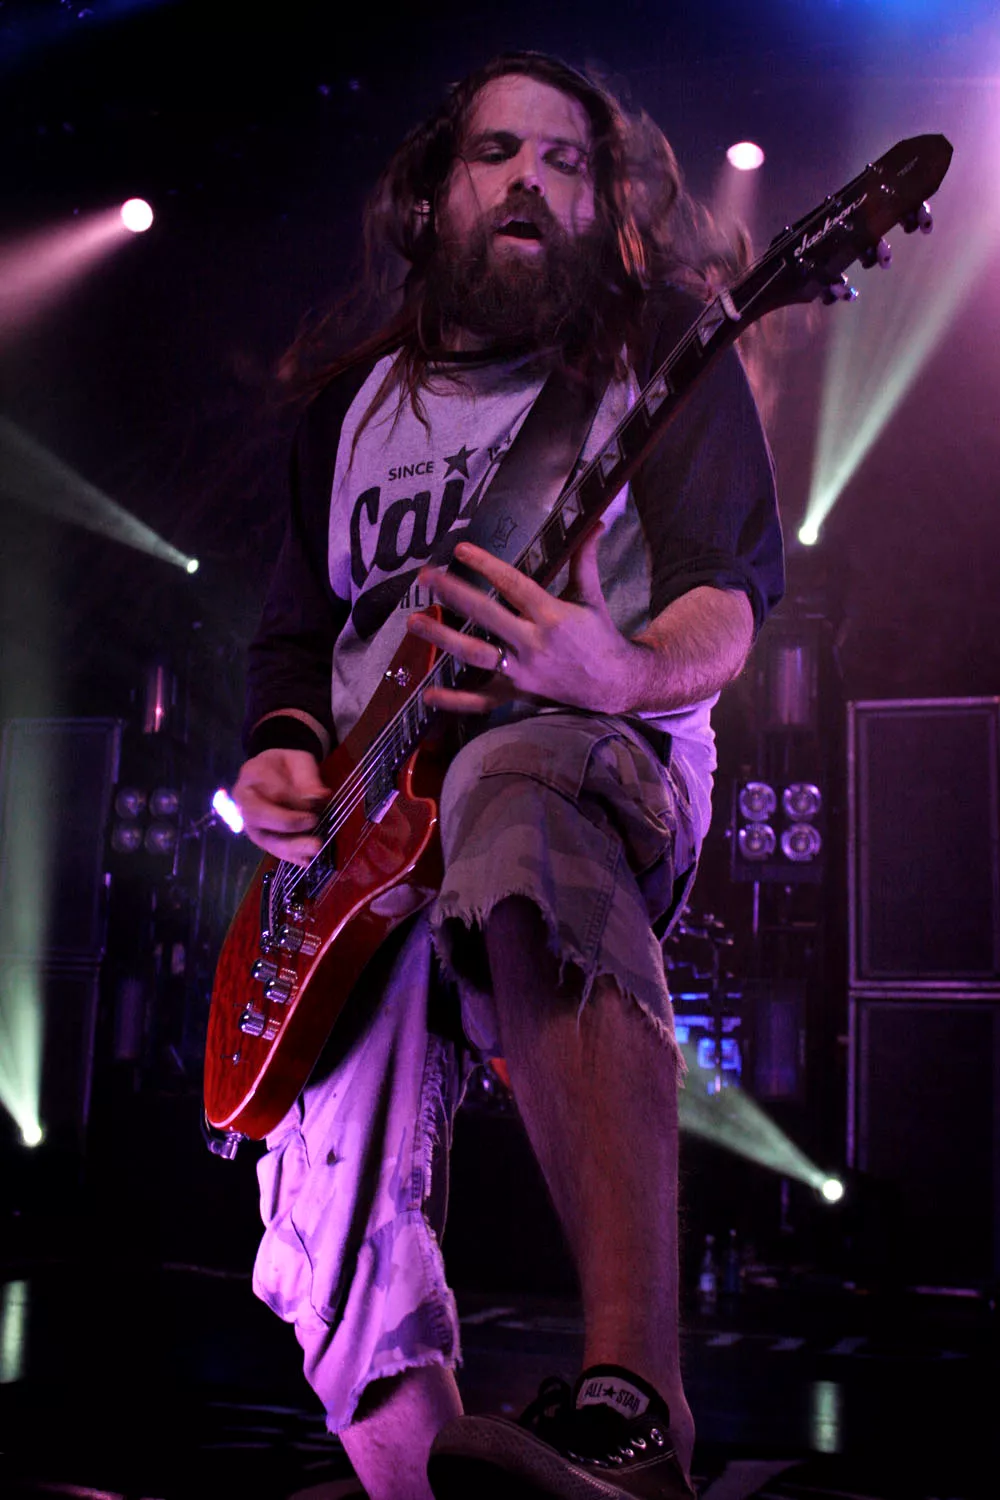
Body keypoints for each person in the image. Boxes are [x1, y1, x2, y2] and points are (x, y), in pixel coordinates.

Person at [231, 51, 783, 1500]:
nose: (531, 178)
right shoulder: (349, 410)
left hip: (591, 750)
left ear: (606, 204)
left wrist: (621, 668)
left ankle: (633, 1404)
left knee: (511, 786)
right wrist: (284, 750)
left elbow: (731, 597)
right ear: (433, 196)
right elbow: (294, 634)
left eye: (566, 159)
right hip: (366, 827)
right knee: (322, 1220)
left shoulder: (660, 351)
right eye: (496, 152)